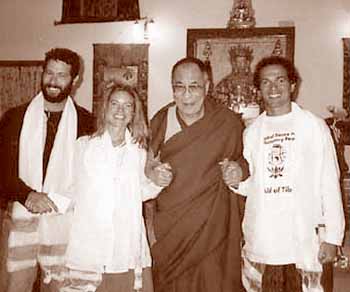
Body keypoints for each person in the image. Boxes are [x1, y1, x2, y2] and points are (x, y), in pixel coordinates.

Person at [238, 56, 345, 292]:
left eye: (280, 80)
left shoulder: (314, 126)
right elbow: (252, 184)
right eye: (265, 82)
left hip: (304, 238)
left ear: (293, 85)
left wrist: (333, 237)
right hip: (264, 238)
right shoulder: (252, 132)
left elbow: (329, 181)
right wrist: (236, 181)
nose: (273, 87)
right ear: (258, 90)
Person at [144, 57, 249, 292]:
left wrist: (238, 170)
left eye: (194, 86)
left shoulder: (227, 123)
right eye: (179, 87)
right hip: (172, 225)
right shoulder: (161, 120)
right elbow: (145, 163)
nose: (187, 95)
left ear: (207, 86)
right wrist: (153, 173)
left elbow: (246, 160)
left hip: (214, 227)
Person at [0, 48, 95, 292]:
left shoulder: (87, 122)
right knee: (14, 287)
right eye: (49, 73)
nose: (53, 80)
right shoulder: (15, 118)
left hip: (65, 224)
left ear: (74, 81)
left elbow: (90, 178)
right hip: (19, 218)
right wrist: (27, 195)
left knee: (60, 289)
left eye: (62, 75)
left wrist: (55, 200)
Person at [60, 84, 171, 292]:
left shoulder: (138, 151)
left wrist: (159, 181)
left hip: (125, 244)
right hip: (91, 243)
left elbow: (141, 192)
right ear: (105, 108)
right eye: (115, 104)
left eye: (128, 105)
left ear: (134, 113)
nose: (121, 110)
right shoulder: (83, 146)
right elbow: (71, 188)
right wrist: (51, 203)